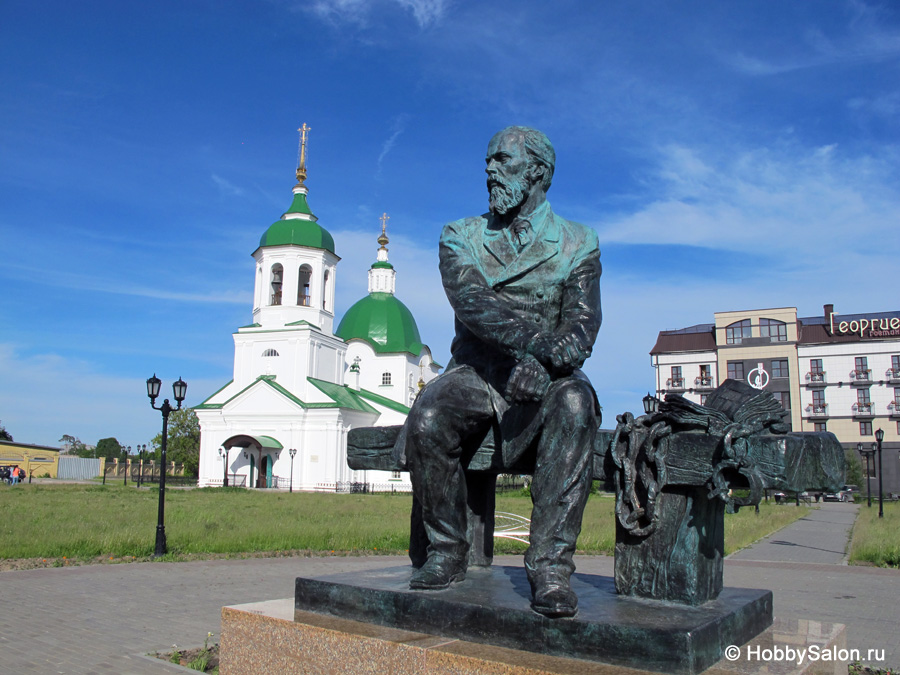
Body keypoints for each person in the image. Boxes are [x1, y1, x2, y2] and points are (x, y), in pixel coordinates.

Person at [397, 126, 602, 618]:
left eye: (502, 161)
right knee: (428, 415)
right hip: (478, 372)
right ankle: (447, 551)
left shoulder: (578, 241)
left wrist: (546, 365)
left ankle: (550, 566)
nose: (489, 169)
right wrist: (528, 350)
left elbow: (582, 326)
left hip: (551, 377)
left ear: (537, 172)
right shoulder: (460, 235)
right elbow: (472, 301)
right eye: (488, 160)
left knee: (575, 405)